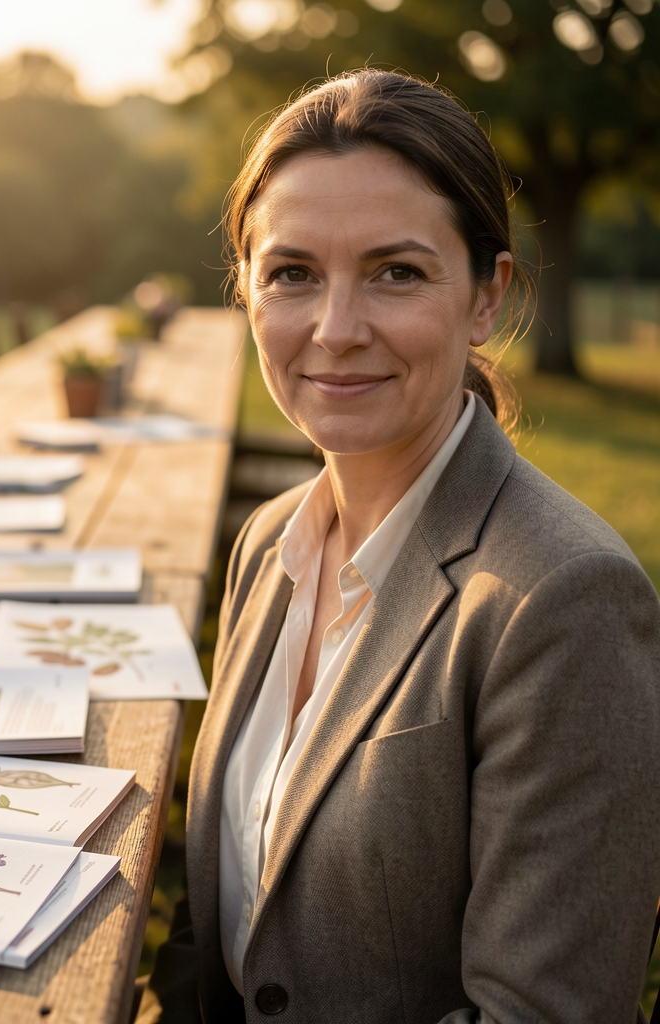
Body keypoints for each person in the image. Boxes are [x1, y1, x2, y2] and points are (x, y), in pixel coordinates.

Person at [138, 70, 660, 1023]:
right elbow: (217, 923)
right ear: (247, 294)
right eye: (292, 274)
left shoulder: (564, 600)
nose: (336, 331)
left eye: (397, 272)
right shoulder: (267, 545)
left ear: (484, 298)